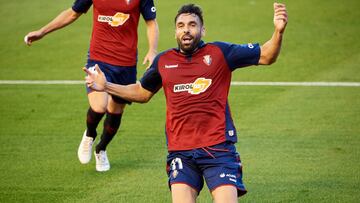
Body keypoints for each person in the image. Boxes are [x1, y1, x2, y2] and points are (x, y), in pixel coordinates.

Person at [84, 2, 287, 202]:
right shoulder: (163, 61)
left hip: (218, 149)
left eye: (192, 24)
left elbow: (267, 55)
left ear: (203, 30)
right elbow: (141, 93)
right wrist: (106, 86)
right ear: (175, 33)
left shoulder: (220, 53)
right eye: (181, 26)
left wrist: (278, 32)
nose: (186, 30)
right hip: (181, 152)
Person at [24, 0, 159, 172]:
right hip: (99, 57)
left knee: (115, 111)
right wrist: (42, 32)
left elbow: (151, 22)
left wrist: (152, 50)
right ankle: (89, 134)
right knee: (99, 106)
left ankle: (101, 149)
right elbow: (73, 13)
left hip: (126, 63)